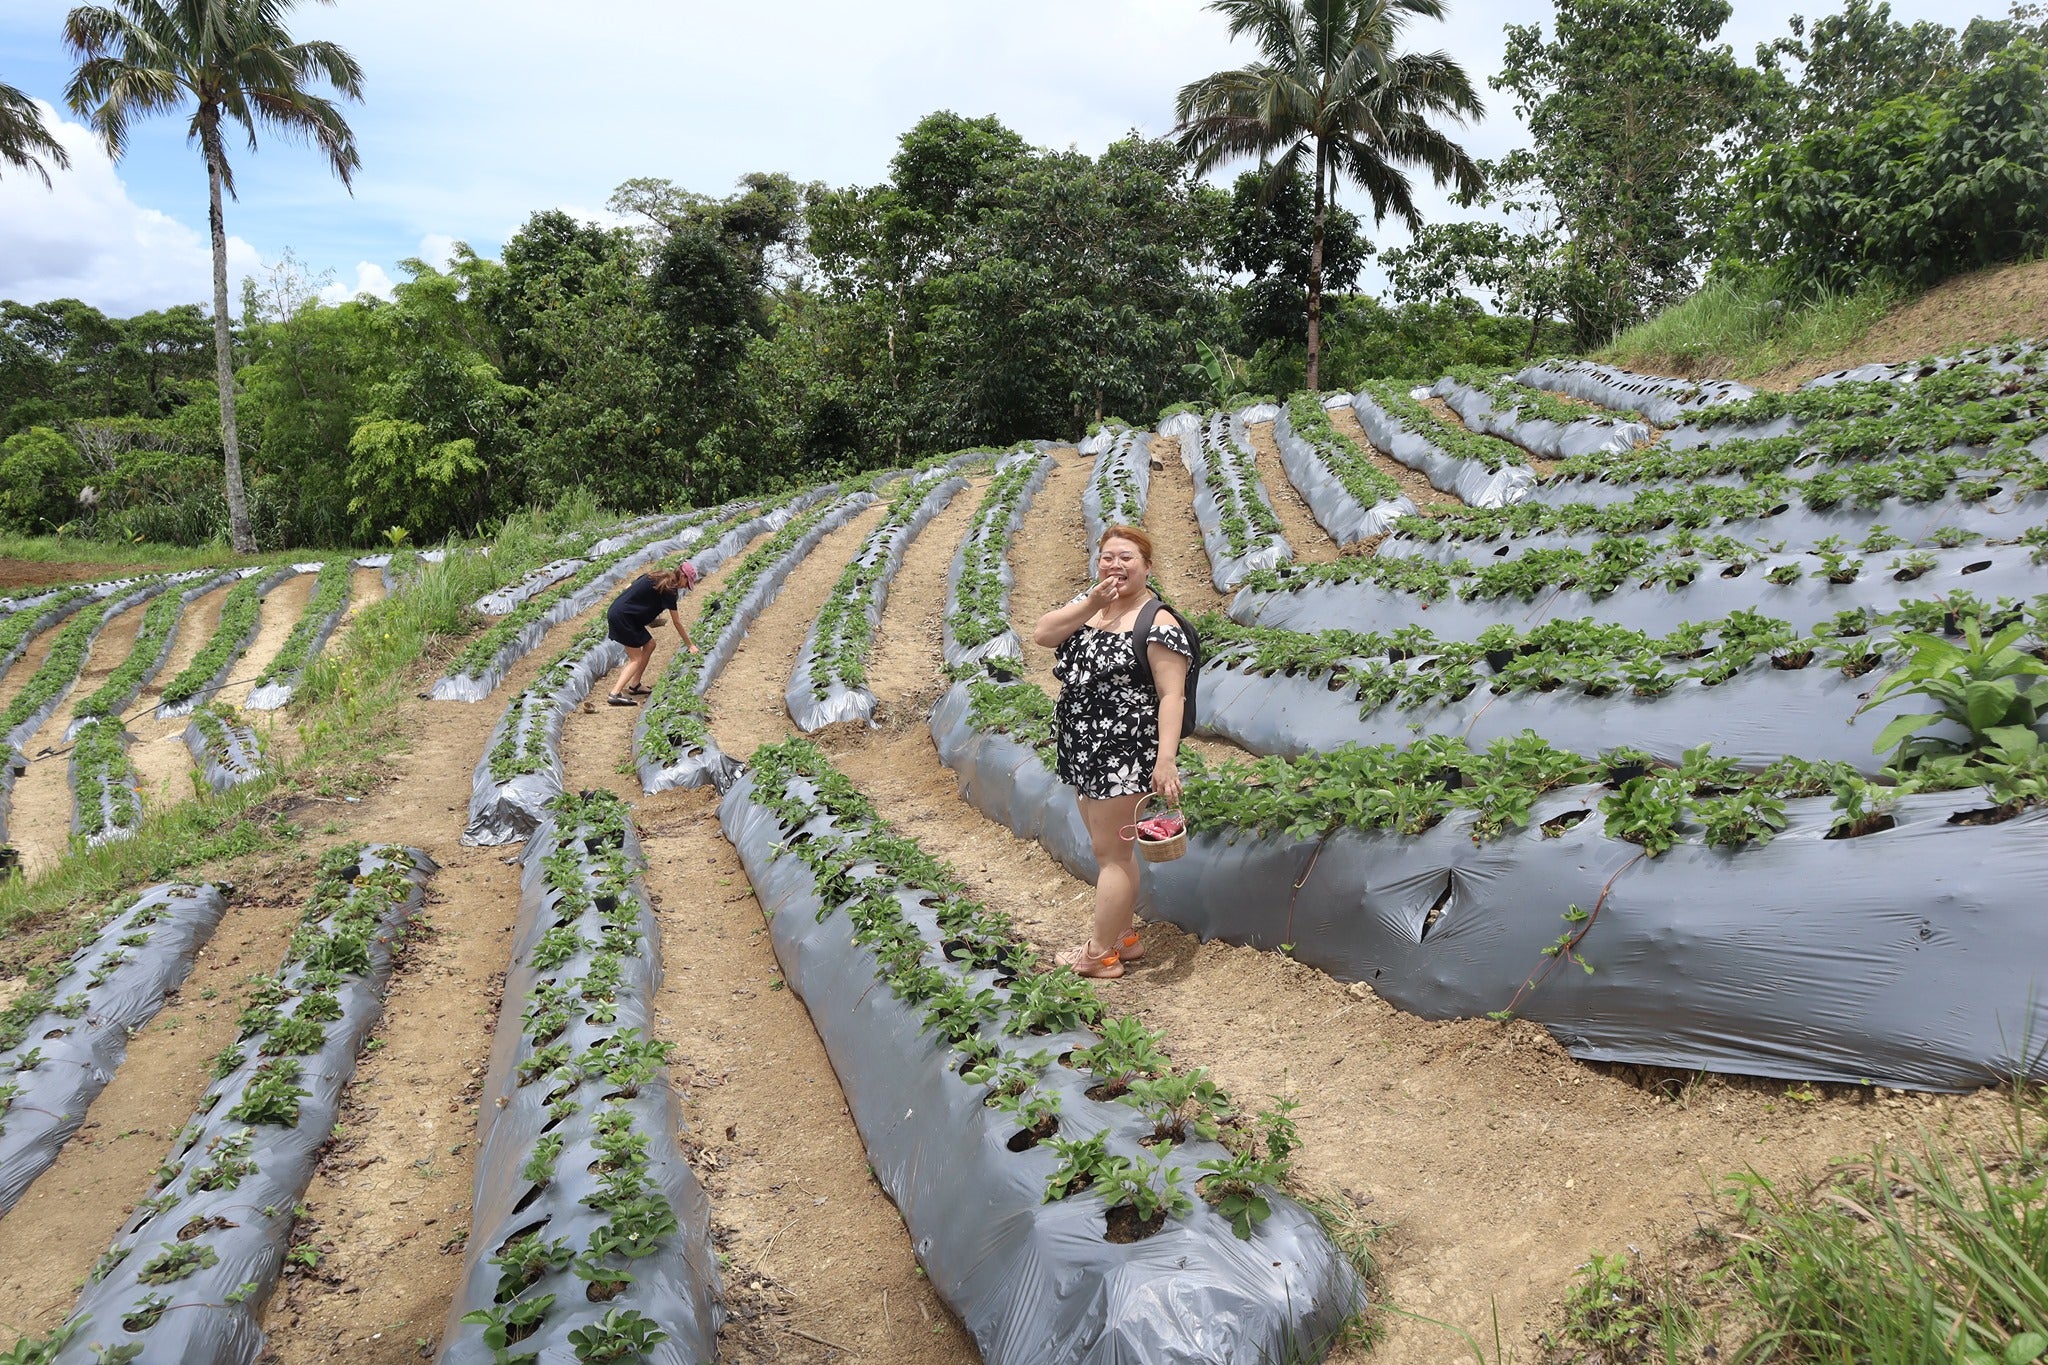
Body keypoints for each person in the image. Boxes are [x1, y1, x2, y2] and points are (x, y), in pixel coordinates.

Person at [1031, 526, 1192, 979]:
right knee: (1110, 852)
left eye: (1126, 558)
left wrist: (1165, 760)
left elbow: (1171, 697)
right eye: (1106, 557)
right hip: (1085, 749)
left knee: (1112, 857)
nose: (1114, 565)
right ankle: (1125, 938)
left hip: (1125, 751)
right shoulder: (1092, 609)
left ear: (1147, 566)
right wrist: (1093, 602)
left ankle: (1099, 954)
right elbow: (1043, 633)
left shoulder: (1158, 623)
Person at [604, 559, 699, 706]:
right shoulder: (670, 591)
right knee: (635, 659)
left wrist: (643, 611)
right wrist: (690, 645)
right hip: (624, 618)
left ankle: (635, 685)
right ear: (683, 577)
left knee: (650, 644)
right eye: (687, 583)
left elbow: (629, 587)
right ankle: (614, 693)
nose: (685, 587)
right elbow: (677, 622)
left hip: (621, 612)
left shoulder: (656, 575)